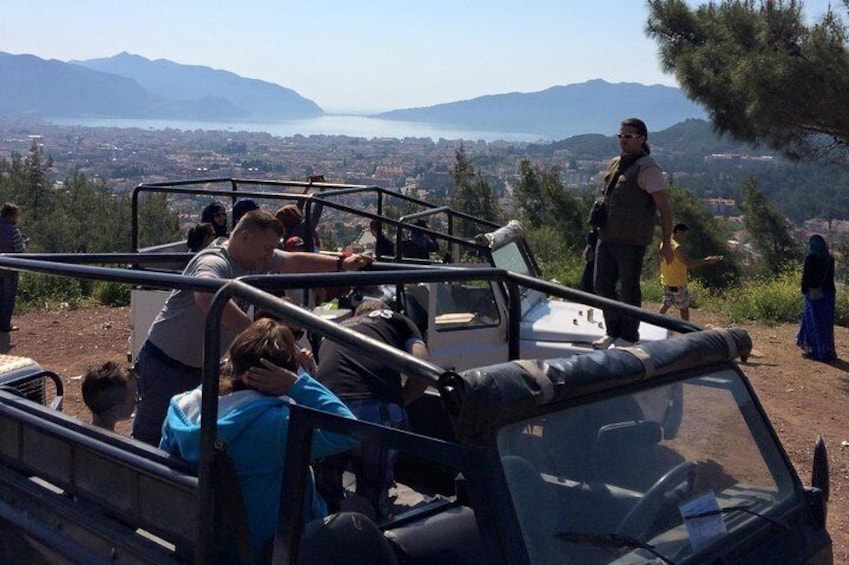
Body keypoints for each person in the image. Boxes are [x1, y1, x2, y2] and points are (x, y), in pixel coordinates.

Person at [132, 209, 373, 445]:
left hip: (201, 365)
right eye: (267, 247)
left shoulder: (255, 258)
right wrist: (259, 336)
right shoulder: (215, 260)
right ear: (245, 237)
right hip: (167, 362)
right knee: (150, 437)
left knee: (189, 433)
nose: (270, 255)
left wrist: (342, 264)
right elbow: (207, 296)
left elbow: (292, 260)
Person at [159, 318, 356, 562]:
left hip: (202, 545)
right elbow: (348, 430)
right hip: (265, 550)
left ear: (234, 364)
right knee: (356, 526)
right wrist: (299, 385)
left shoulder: (183, 408)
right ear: (282, 373)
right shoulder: (277, 426)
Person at [315, 299, 430, 521]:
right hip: (375, 412)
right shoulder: (396, 319)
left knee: (327, 489)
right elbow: (422, 370)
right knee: (372, 490)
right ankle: (372, 522)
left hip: (327, 410)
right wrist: (398, 400)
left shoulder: (332, 331)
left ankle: (328, 525)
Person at [592, 118, 673, 349]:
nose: (623, 141)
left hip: (631, 240)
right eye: (620, 136)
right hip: (607, 236)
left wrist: (666, 243)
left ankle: (628, 336)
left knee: (629, 288)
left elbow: (664, 208)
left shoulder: (648, 168)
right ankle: (611, 331)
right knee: (602, 285)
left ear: (642, 139)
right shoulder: (615, 164)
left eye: (628, 136)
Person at [658, 223, 722, 321]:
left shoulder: (664, 243)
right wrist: (707, 260)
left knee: (667, 303)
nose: (685, 237)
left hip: (667, 280)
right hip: (677, 282)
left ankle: (654, 322)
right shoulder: (677, 248)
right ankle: (686, 329)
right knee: (684, 308)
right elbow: (688, 263)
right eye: (684, 234)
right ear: (678, 233)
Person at [796, 234, 837, 361]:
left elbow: (806, 277)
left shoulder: (811, 257)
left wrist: (804, 290)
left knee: (813, 323)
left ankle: (815, 351)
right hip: (829, 295)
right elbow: (830, 278)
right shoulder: (829, 258)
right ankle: (827, 352)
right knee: (825, 325)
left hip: (814, 295)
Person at [81, 361, 137, 431]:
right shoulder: (111, 441)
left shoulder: (81, 436)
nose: (136, 402)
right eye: (134, 398)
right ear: (115, 410)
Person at [0, 203, 28, 333]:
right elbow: (19, 250)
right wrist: (25, 244)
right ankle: (5, 325)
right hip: (9, 268)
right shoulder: (13, 230)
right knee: (8, 297)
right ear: (11, 215)